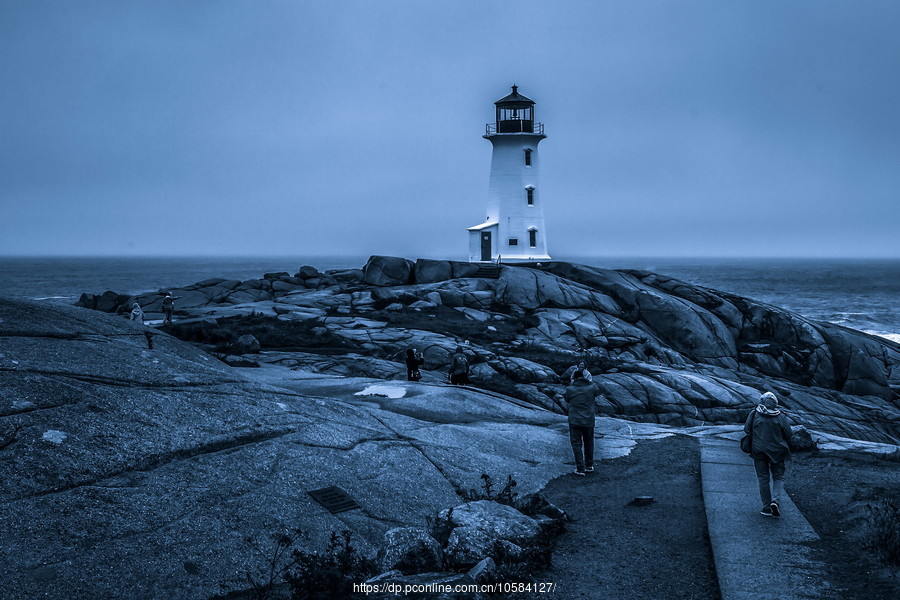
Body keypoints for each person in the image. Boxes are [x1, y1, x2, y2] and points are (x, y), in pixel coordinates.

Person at [744, 391, 793, 517]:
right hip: (777, 451)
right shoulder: (780, 416)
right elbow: (789, 434)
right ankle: (775, 502)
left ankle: (766, 508)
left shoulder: (755, 413)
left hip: (758, 451)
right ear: (775, 404)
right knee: (778, 477)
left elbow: (746, 429)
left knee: (763, 479)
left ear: (762, 401)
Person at [564, 370, 602, 476]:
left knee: (576, 444)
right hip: (589, 419)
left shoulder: (570, 389)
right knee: (589, 442)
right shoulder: (592, 387)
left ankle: (580, 468)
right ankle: (589, 465)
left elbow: (567, 399)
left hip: (575, 420)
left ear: (574, 379)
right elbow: (599, 390)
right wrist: (588, 382)